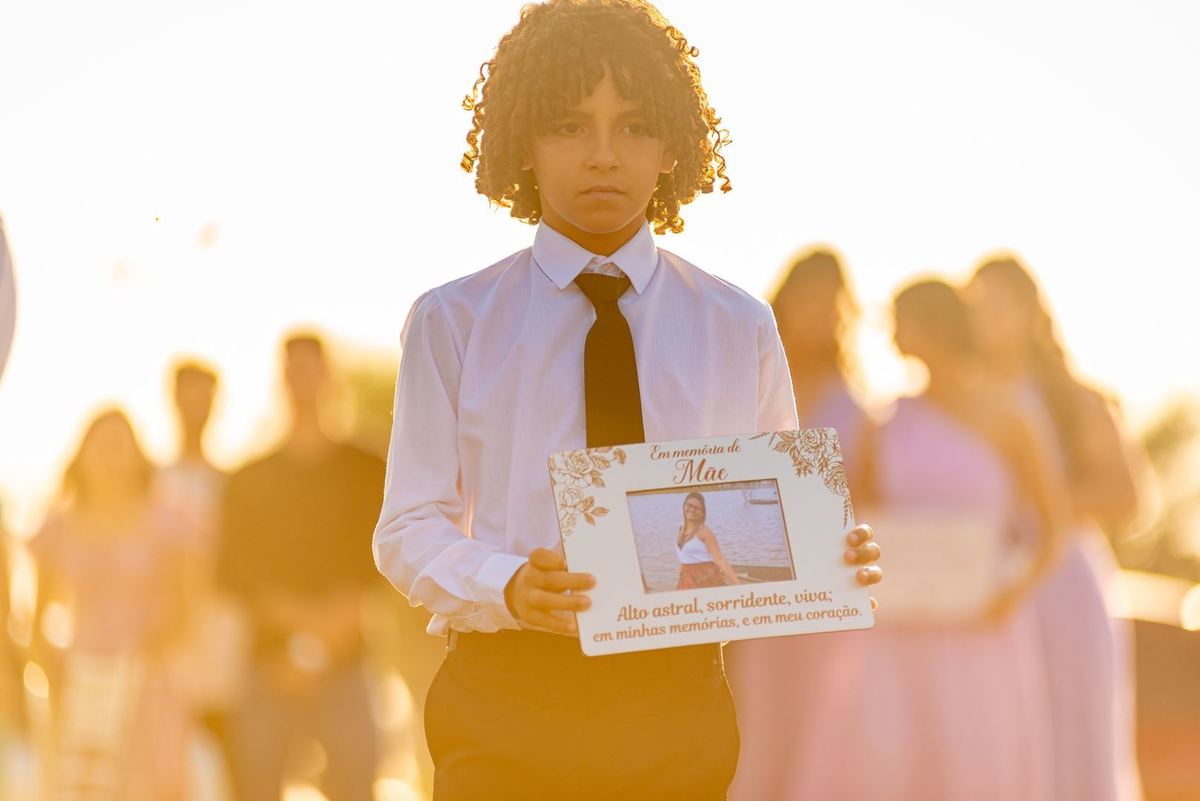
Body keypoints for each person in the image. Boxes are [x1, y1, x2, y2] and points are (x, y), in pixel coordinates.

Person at [372, 3, 881, 799]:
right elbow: (407, 527)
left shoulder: (739, 324)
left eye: (634, 126)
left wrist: (828, 549)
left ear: (674, 144)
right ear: (524, 145)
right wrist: (507, 583)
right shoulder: (453, 321)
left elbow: (770, 519)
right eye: (570, 126)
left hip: (677, 710)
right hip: (504, 701)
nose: (604, 155)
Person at [776, 280, 1064, 801]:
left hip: (984, 625)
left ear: (933, 325)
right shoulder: (884, 422)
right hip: (900, 628)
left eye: (900, 319)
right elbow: (852, 519)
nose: (890, 332)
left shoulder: (1011, 418)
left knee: (978, 765)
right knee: (892, 763)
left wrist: (1012, 594)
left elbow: (1053, 529)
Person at [968, 255, 1144, 801]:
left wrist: (1039, 502)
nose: (987, 318)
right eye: (977, 306)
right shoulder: (958, 397)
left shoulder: (1071, 399)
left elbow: (1127, 498)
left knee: (1070, 738)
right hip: (983, 584)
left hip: (1063, 587)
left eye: (999, 305)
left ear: (1029, 312)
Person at [726, 247, 871, 799]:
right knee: (757, 724)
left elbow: (866, 502)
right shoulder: (750, 380)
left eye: (829, 303)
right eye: (809, 299)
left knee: (817, 731)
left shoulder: (854, 402)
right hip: (755, 589)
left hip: (822, 596)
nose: (819, 313)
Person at [217, 334, 384, 801]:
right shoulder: (247, 480)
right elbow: (240, 575)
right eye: (292, 373)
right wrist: (304, 645)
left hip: (347, 665)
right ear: (280, 382)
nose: (302, 383)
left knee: (356, 785)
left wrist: (317, 649)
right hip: (265, 670)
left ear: (328, 378)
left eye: (310, 371)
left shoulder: (366, 468)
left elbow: (375, 569)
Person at [31, 409, 196, 801]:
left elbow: (189, 610)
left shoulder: (165, 524)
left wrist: (152, 656)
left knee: (145, 784)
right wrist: (53, 673)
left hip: (148, 680)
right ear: (82, 453)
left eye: (120, 444)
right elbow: (37, 617)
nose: (109, 454)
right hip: (79, 681)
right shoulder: (58, 526)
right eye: (100, 443)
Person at [675, 492, 740, 588]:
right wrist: (680, 578)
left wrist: (738, 584)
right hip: (686, 579)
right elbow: (684, 558)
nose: (692, 509)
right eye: (689, 505)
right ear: (684, 506)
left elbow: (720, 559)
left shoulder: (704, 531)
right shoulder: (681, 529)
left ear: (702, 513)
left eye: (697, 508)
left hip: (705, 579)